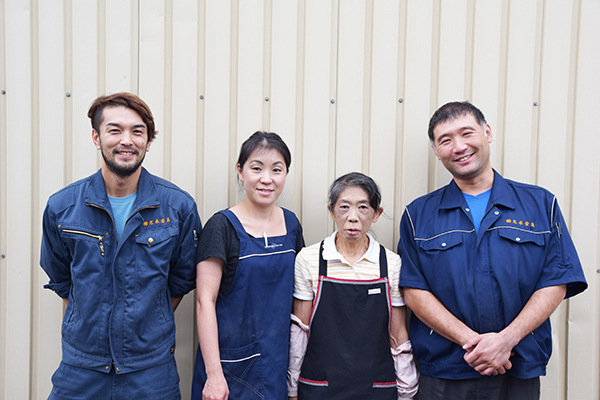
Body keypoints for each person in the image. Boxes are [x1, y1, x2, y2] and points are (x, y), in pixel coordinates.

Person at [398, 101, 588, 400]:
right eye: (445, 140)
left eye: (467, 133)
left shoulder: (540, 204)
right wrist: (475, 344)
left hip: (517, 366)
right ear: (436, 151)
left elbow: (556, 280)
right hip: (447, 369)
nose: (459, 147)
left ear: (487, 132)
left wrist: (506, 340)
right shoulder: (418, 214)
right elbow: (413, 290)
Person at [40, 92, 202, 399]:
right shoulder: (62, 208)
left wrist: (146, 321)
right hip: (81, 366)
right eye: (115, 130)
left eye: (137, 131)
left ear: (148, 141)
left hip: (150, 369)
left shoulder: (178, 207)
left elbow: (182, 279)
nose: (126, 140)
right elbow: (61, 279)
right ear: (96, 137)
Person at [191, 131, 305, 400]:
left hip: (277, 362)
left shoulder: (291, 224)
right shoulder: (221, 227)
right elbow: (204, 301)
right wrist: (214, 375)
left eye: (276, 170)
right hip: (229, 368)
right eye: (257, 168)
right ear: (241, 172)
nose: (267, 179)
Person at [288, 172, 419, 400]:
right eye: (344, 207)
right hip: (320, 386)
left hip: (377, 387)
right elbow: (300, 331)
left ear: (376, 214)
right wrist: (292, 389)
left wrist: (407, 391)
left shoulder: (391, 264)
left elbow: (398, 335)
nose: (353, 217)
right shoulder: (308, 259)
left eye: (363, 208)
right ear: (332, 211)